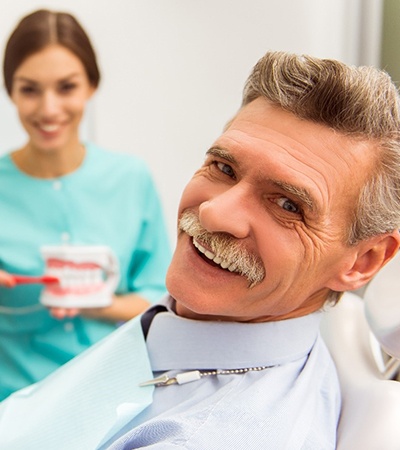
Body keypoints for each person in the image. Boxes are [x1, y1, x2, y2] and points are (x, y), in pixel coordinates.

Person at [1, 50, 400, 450]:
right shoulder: (191, 322)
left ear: (363, 261)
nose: (213, 213)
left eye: (287, 205)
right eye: (224, 168)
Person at [0, 9, 171, 401]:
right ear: (10, 91)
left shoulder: (130, 179)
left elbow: (161, 296)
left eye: (66, 87)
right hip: (12, 403)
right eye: (29, 89)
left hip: (113, 396)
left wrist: (100, 304)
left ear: (92, 85)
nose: (48, 109)